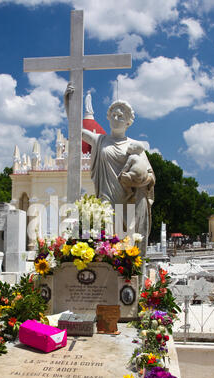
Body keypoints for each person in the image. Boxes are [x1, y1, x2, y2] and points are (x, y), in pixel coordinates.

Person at [64, 83, 155, 259]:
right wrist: (69, 104)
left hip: (129, 202)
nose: (116, 118)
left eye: (120, 116)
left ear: (128, 121)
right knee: (105, 248)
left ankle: (127, 281)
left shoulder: (135, 146)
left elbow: (149, 176)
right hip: (106, 200)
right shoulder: (100, 141)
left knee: (127, 248)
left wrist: (135, 179)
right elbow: (76, 130)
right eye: (113, 114)